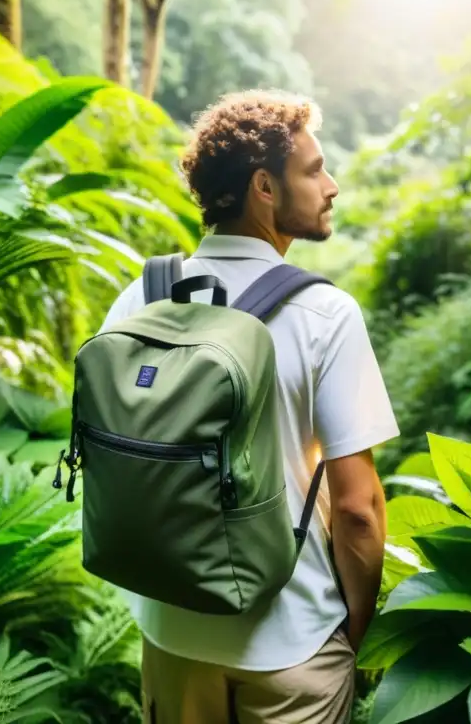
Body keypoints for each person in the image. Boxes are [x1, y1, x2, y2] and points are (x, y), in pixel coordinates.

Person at [98, 89, 400, 724]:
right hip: (290, 642)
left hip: (171, 634)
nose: (333, 185)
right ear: (265, 186)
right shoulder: (325, 314)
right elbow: (357, 509)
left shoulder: (141, 299)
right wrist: (351, 634)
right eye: (315, 170)